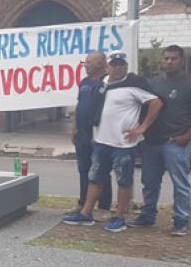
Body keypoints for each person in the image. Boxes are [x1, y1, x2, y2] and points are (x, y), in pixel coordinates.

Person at [63, 51, 163, 232]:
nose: (117, 67)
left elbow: (156, 103)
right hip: (101, 142)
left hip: (123, 144)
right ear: (107, 66)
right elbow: (95, 110)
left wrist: (142, 128)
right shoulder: (102, 85)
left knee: (123, 180)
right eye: (114, 64)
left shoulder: (135, 84)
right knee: (95, 178)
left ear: (126, 66)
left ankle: (119, 217)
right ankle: (86, 213)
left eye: (121, 64)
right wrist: (93, 133)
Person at [129, 45, 191, 236]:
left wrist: (187, 137)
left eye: (174, 58)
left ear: (182, 61)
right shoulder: (153, 83)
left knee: (180, 183)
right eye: (166, 58)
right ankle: (147, 216)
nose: (169, 62)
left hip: (176, 142)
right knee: (149, 181)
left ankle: (181, 220)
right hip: (151, 142)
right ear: (161, 61)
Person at [67, 52, 113, 217]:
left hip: (98, 135)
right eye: (84, 63)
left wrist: (99, 132)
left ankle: (103, 207)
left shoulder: (108, 83)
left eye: (88, 63)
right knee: (83, 169)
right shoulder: (84, 82)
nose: (85, 66)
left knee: (101, 170)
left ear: (100, 64)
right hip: (82, 134)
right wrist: (74, 127)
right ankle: (83, 203)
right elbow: (80, 105)